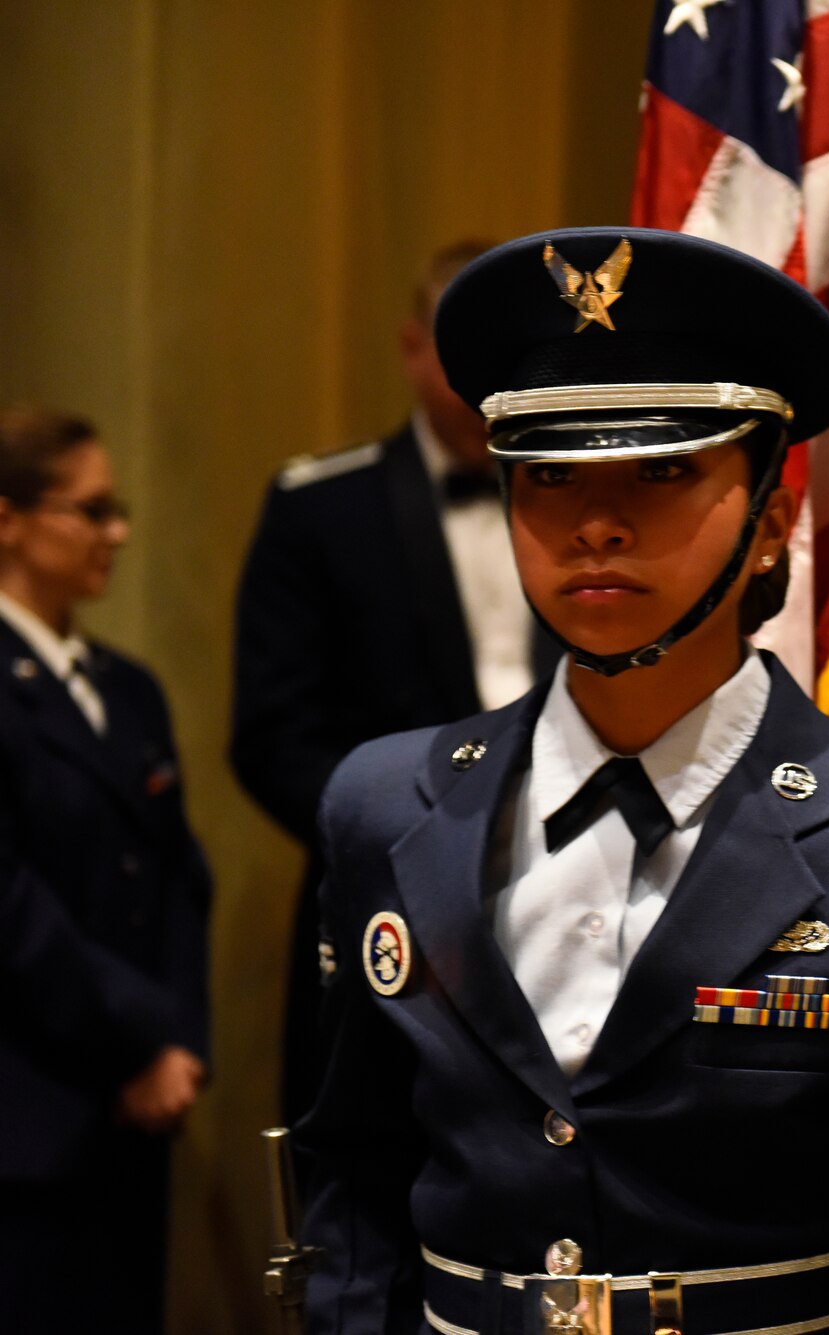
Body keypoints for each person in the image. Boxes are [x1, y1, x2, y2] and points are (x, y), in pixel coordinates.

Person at [294, 228, 829, 1334]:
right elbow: (357, 1187)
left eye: (662, 470)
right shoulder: (384, 803)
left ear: (773, 523)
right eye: (549, 474)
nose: (595, 523)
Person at [232, 239, 560, 1122]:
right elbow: (273, 734)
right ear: (413, 346)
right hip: (385, 885)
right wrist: (408, 836)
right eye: (457, 351)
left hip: (576, 872)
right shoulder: (322, 508)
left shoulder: (589, 499)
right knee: (366, 1145)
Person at [0, 404, 211, 1333]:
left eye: (117, 509)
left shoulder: (127, 686)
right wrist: (138, 1040)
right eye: (90, 511)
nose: (117, 533)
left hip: (139, 1109)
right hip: (31, 1110)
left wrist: (179, 1048)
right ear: (8, 518)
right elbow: (12, 907)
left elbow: (179, 877)